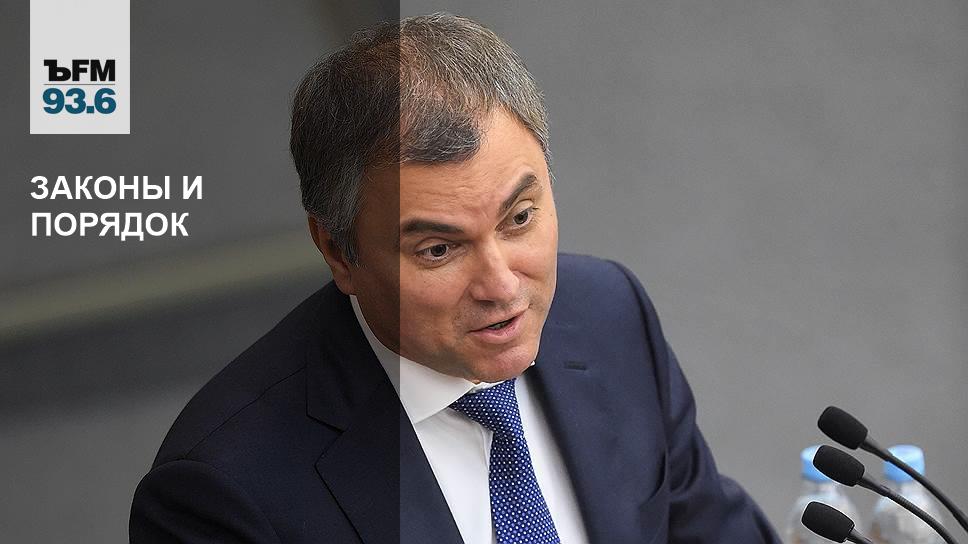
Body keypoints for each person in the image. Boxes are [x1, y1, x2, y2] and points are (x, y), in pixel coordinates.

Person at [130, 13, 781, 544]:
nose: (502, 286)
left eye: (519, 218)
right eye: (439, 250)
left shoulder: (611, 315)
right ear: (337, 251)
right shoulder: (223, 491)